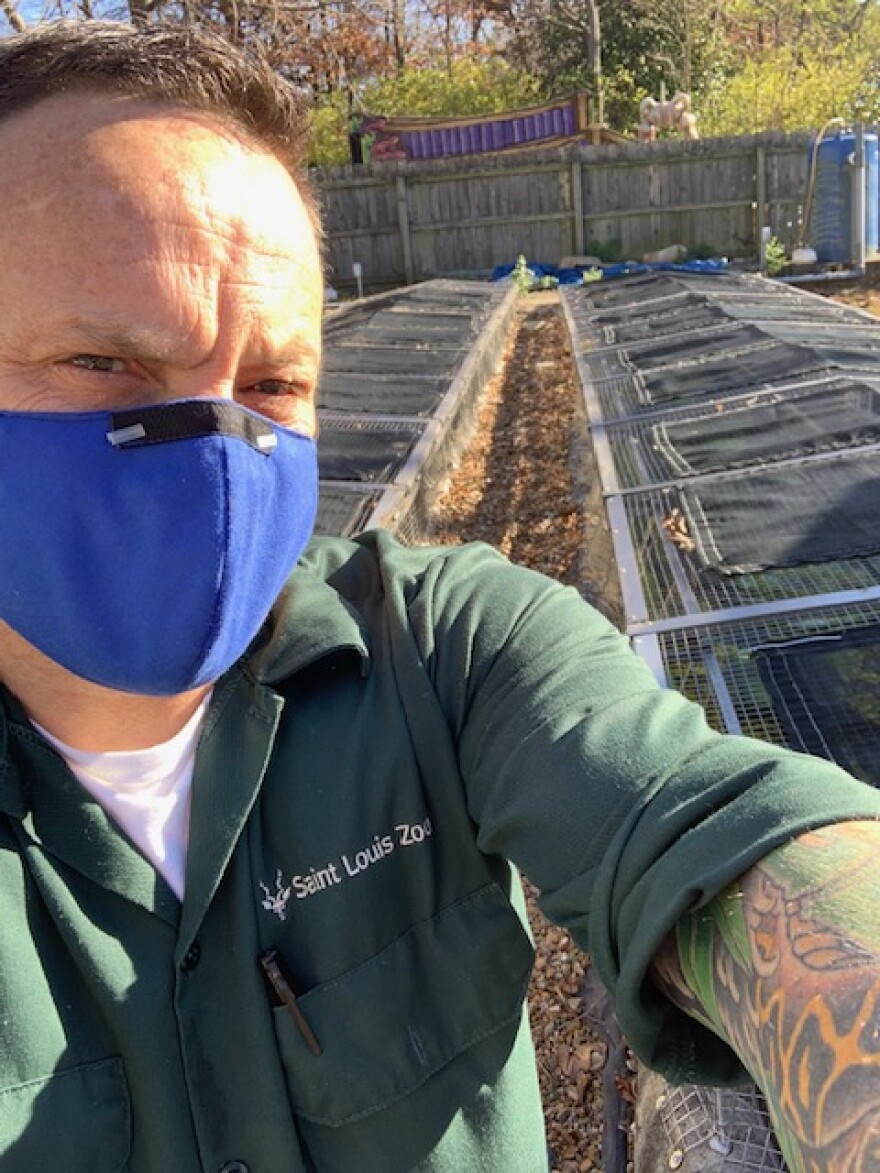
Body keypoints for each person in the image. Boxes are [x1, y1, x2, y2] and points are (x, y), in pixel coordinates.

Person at [0, 21, 878, 1173]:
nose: (215, 445)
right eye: (106, 364)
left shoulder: (446, 649)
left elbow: (712, 831)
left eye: (272, 383)